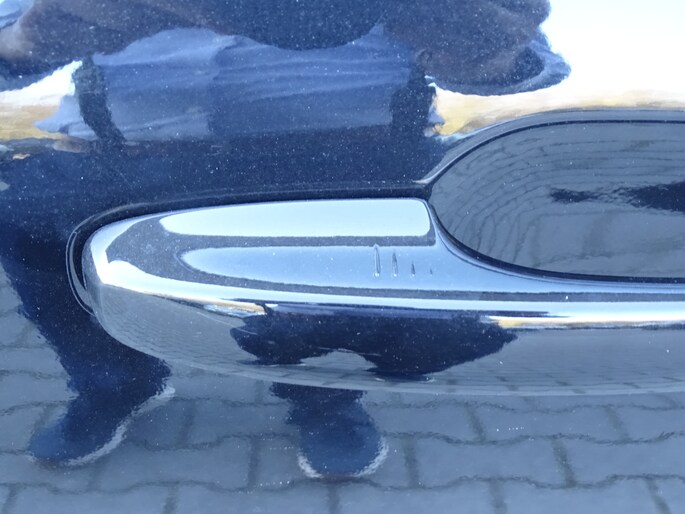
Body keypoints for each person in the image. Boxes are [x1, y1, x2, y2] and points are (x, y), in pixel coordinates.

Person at [0, 0, 567, 477]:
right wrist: (25, 43)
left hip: (348, 152)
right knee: (35, 240)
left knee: (326, 298)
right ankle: (116, 384)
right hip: (118, 150)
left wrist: (488, 54)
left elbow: (533, 62)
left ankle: (323, 398)